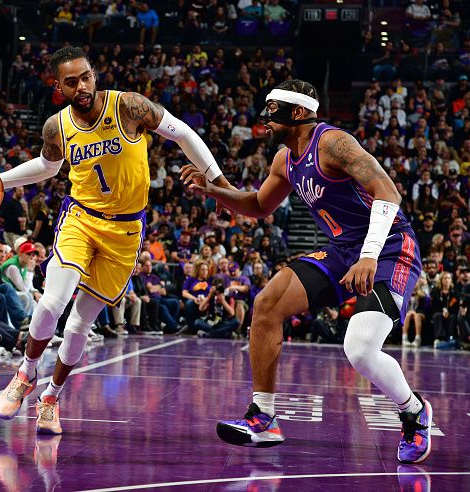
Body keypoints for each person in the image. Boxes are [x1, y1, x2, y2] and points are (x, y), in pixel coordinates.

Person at [182, 79, 431, 464]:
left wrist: (368, 255)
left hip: (389, 247)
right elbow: (259, 205)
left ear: (298, 112)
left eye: (272, 109)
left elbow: (389, 192)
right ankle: (263, 418)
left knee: (360, 349)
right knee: (266, 304)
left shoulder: (334, 143)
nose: (264, 119)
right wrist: (213, 191)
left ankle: (414, 411)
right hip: (342, 249)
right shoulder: (283, 159)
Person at [0, 46, 232, 434]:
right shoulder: (57, 127)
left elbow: (184, 134)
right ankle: (25, 374)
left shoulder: (128, 107)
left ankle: (51, 398)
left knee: (78, 327)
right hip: (82, 219)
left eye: (86, 76)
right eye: (71, 82)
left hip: (126, 230)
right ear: (59, 87)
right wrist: (0, 179)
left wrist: (220, 184)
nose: (82, 86)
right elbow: (48, 167)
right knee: (53, 301)